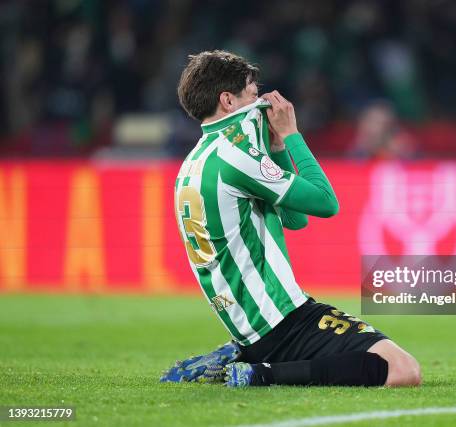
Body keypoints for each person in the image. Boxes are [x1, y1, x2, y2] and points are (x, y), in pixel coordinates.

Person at [160, 50, 421, 387]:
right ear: (228, 101)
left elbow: (296, 221)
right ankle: (258, 373)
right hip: (282, 320)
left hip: (250, 324)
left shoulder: (194, 162)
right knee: (403, 370)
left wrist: (278, 148)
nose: (263, 105)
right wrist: (293, 135)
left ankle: (245, 354)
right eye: (253, 96)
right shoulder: (236, 158)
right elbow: (327, 203)